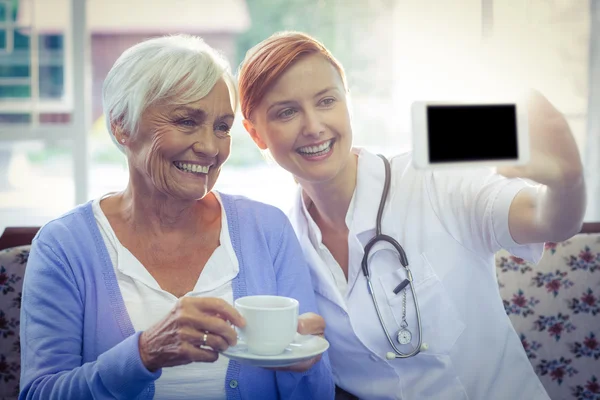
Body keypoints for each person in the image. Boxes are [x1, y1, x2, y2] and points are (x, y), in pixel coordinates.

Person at [238, 31, 587, 399]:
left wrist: (567, 180)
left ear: (347, 103)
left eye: (326, 101)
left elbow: (548, 219)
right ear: (255, 133)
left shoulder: (434, 182)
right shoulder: (284, 245)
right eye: (287, 112)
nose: (313, 126)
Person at [19, 34, 334, 400]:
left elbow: (316, 391)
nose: (210, 147)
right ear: (122, 125)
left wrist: (307, 363)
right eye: (186, 121)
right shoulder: (63, 246)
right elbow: (40, 394)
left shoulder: (267, 229)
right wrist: (144, 353)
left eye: (222, 127)